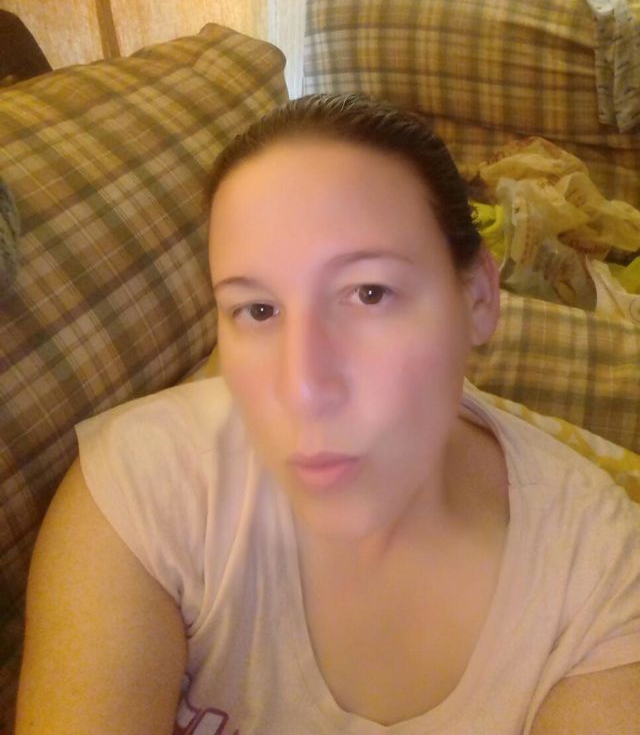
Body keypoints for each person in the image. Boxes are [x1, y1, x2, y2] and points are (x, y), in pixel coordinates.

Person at [16, 94, 640, 734]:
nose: (302, 388)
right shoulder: (146, 488)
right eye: (258, 310)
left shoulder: (598, 574)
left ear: (479, 297)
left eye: (369, 293)